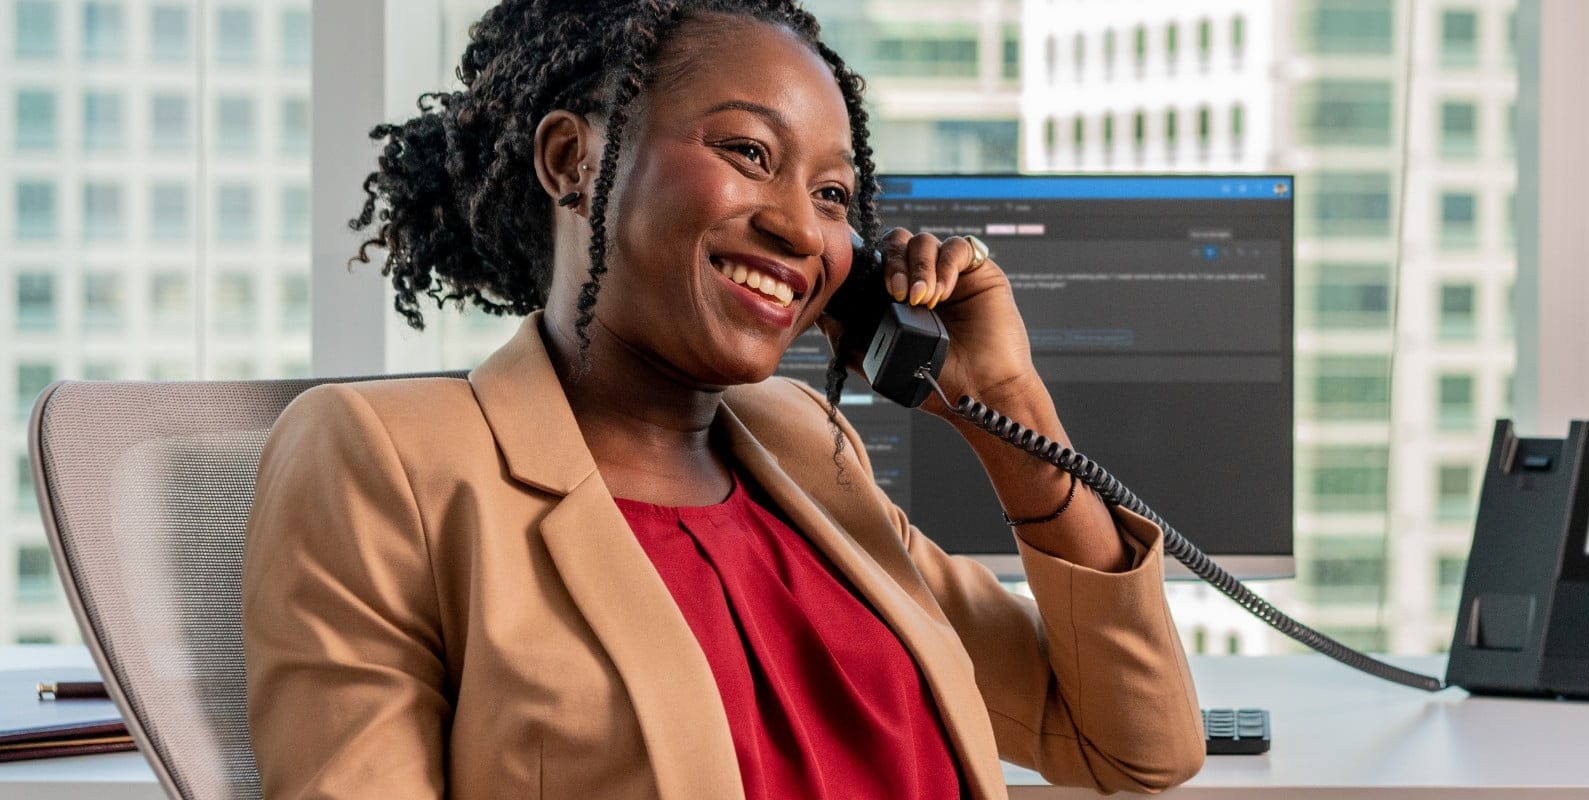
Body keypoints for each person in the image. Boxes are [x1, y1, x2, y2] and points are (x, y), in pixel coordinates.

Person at [239, 2, 1204, 798]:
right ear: (572, 161)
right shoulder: (385, 459)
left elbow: (1135, 747)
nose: (798, 225)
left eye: (834, 196)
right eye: (748, 152)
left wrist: (1004, 400)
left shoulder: (807, 447)